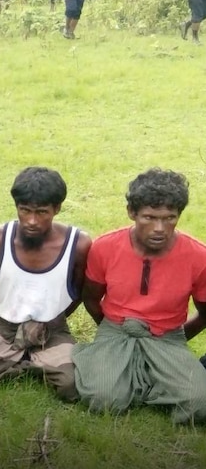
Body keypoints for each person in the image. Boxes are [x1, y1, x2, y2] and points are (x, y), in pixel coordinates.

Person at [72, 168, 206, 424]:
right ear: (132, 213)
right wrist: (110, 329)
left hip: (167, 335)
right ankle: (125, 370)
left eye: (170, 218)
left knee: (199, 405)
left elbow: (205, 313)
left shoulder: (198, 256)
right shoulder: (105, 247)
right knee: (103, 400)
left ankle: (144, 376)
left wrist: (176, 339)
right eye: (149, 217)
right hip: (117, 330)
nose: (159, 228)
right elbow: (90, 298)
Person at [0, 167, 91, 400]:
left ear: (57, 209)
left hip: (52, 329)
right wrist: (10, 312)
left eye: (42, 212)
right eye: (25, 211)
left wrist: (54, 320)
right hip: (5, 325)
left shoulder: (78, 244)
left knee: (72, 386)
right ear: (17, 207)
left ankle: (24, 360)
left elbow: (78, 291)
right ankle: (31, 362)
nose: (32, 221)